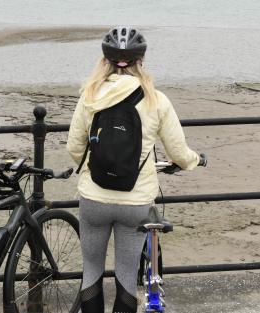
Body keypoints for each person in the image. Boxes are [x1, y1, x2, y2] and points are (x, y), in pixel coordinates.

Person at [66, 26, 204, 312]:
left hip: (94, 198)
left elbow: (74, 146)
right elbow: (177, 151)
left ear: (104, 61)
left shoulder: (90, 96)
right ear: (140, 61)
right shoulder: (156, 99)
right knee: (127, 276)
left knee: (91, 270)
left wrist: (96, 167)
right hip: (135, 201)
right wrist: (192, 161)